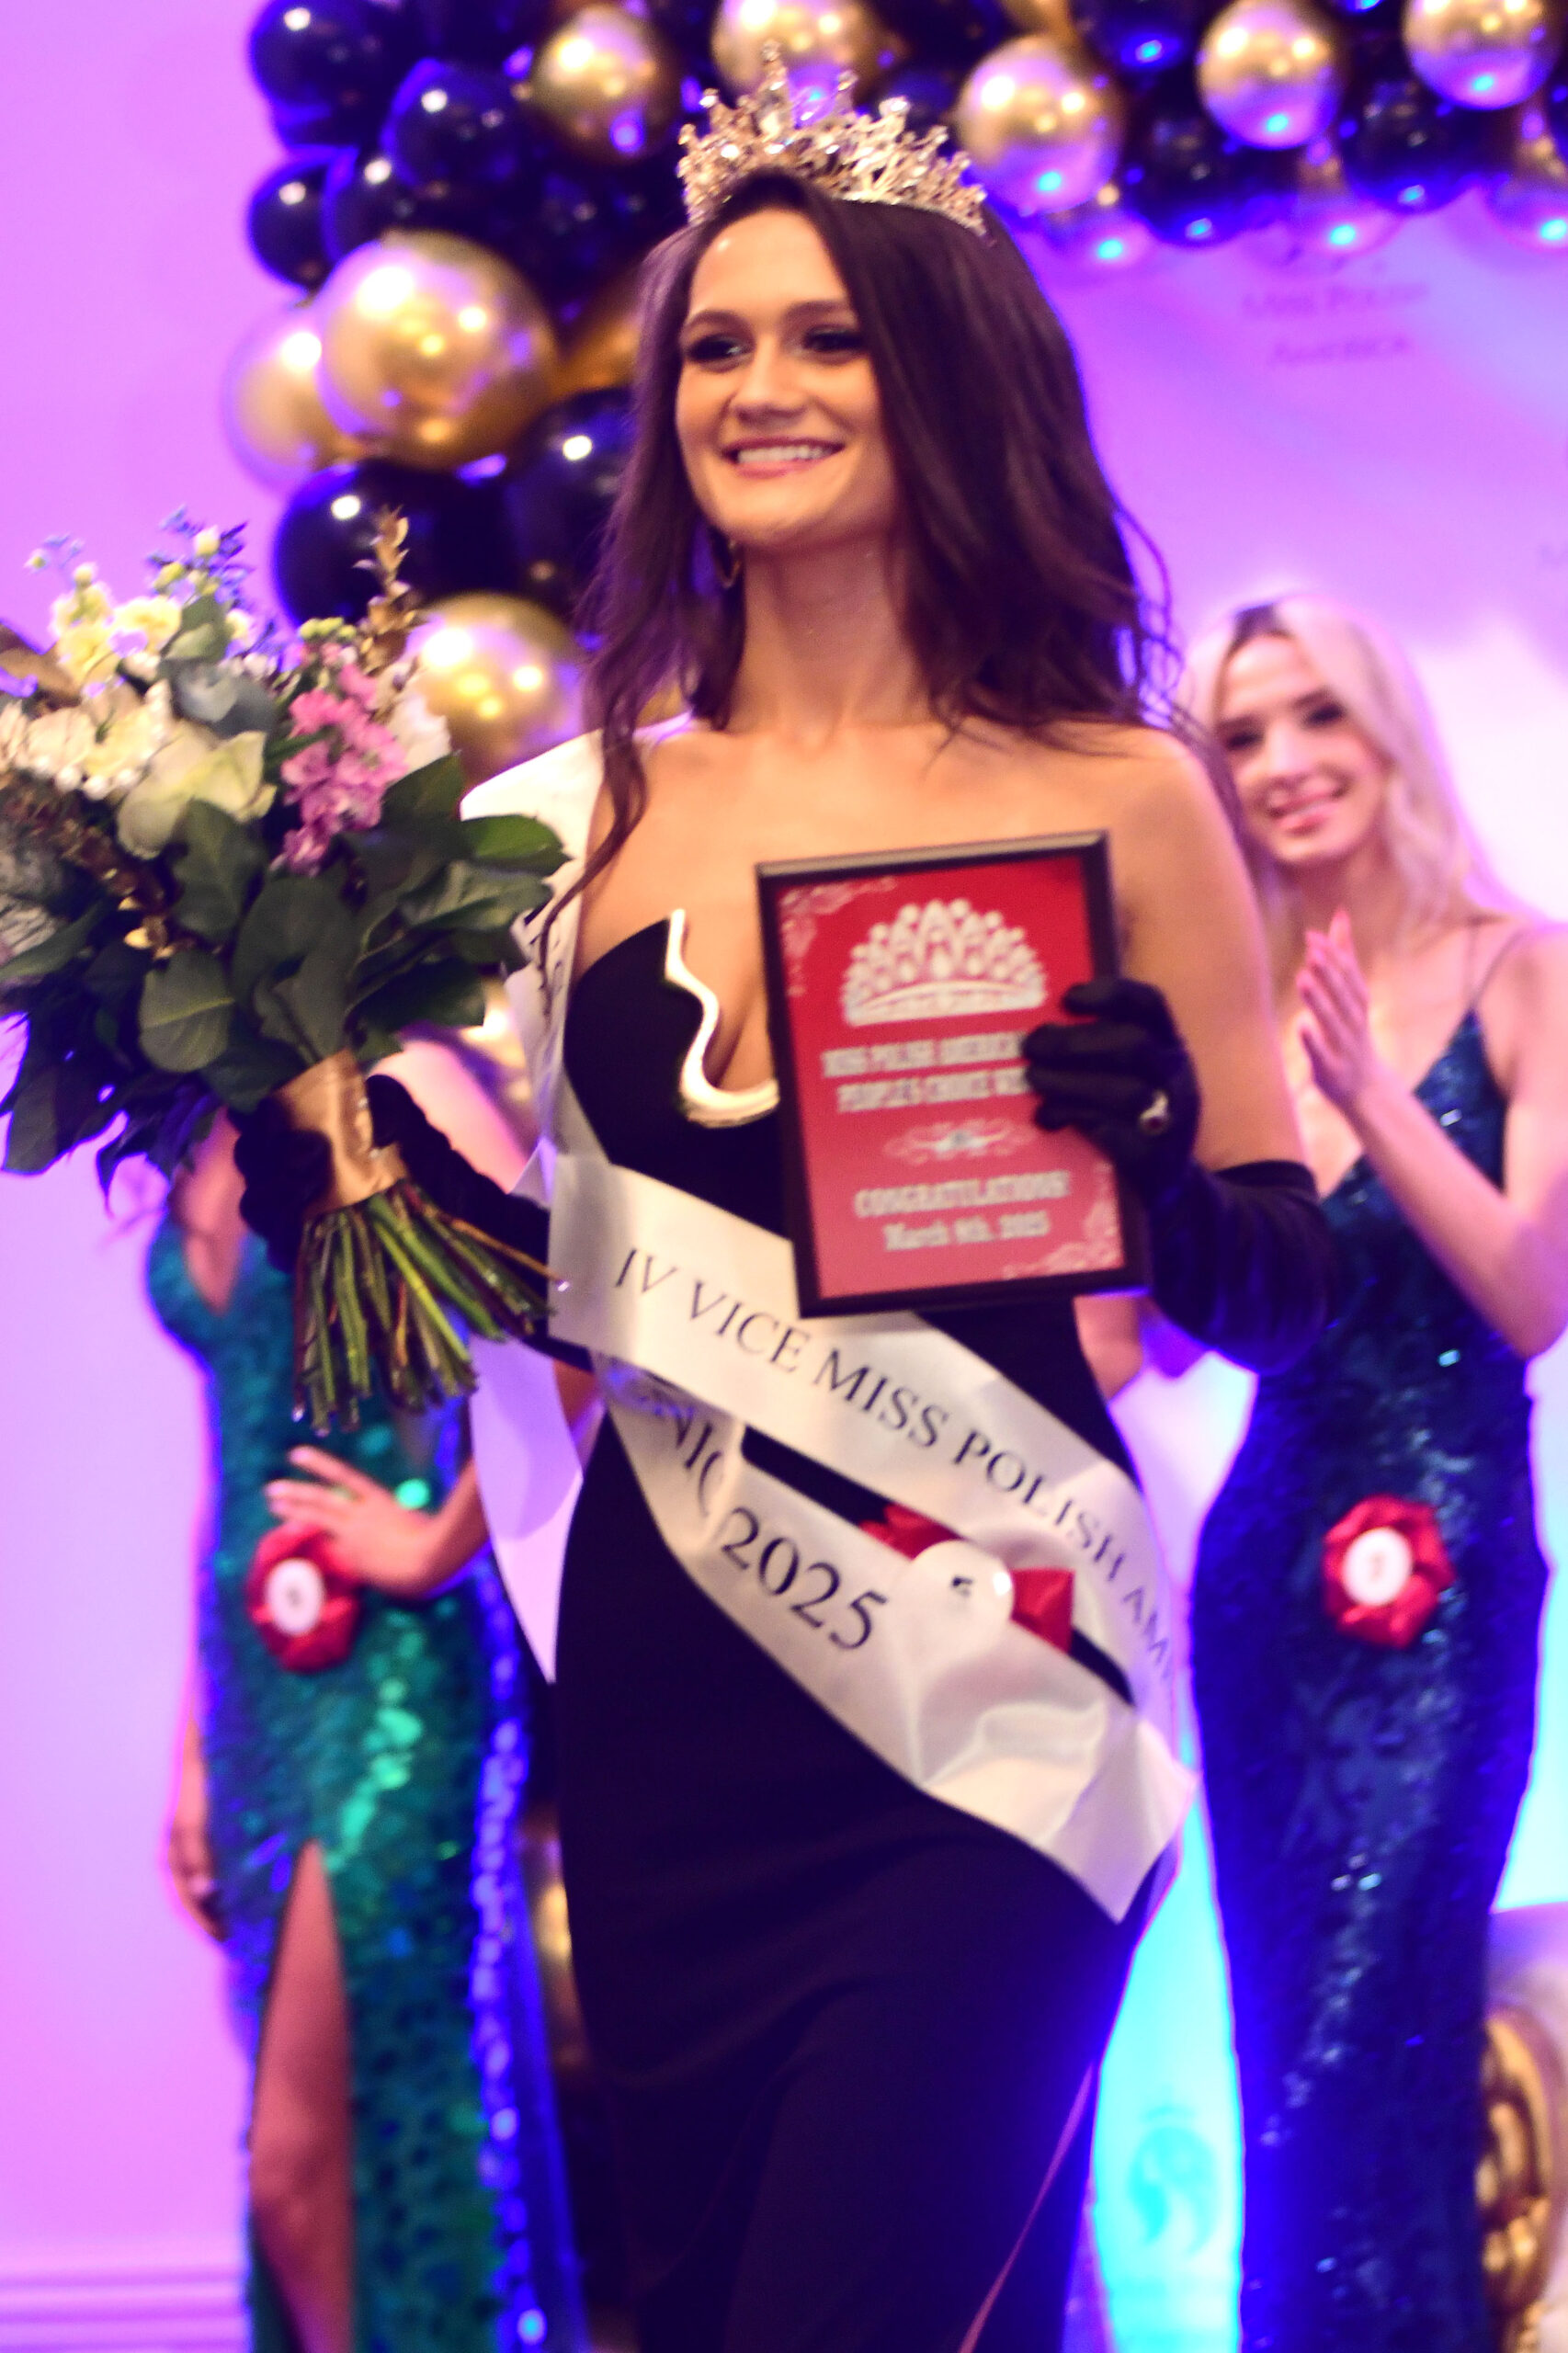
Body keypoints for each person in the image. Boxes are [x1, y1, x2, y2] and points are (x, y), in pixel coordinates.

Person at [238, 63, 1335, 2353]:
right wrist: (315, 1151)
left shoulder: (1119, 789)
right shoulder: (567, 823)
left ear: (941, 375)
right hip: (681, 1681)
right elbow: (516, 1292)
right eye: (717, 344)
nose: (761, 387)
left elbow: (1280, 1290)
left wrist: (1153, 1161)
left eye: (827, 336)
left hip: (997, 1667)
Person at [1184, 596, 1568, 2352]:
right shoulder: (1226, 1015)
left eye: (1314, 716)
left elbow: (1527, 1295)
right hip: (1264, 1585)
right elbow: (1169, 1339)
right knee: (1279, 2061)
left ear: (1385, 727)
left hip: (1449, 1584)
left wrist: (1368, 1090)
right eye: (1241, 736)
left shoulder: (1523, 968)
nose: (1282, 764)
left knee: (1379, 2046)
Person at [153, 1038, 585, 2353]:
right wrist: (191, 1753)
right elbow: (231, 1467)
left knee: (314, 2157)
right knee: (319, 2152)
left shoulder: (406, 1079)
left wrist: (441, 1537)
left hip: (395, 1675)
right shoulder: (188, 1106)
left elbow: (585, 1315)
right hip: (253, 1695)